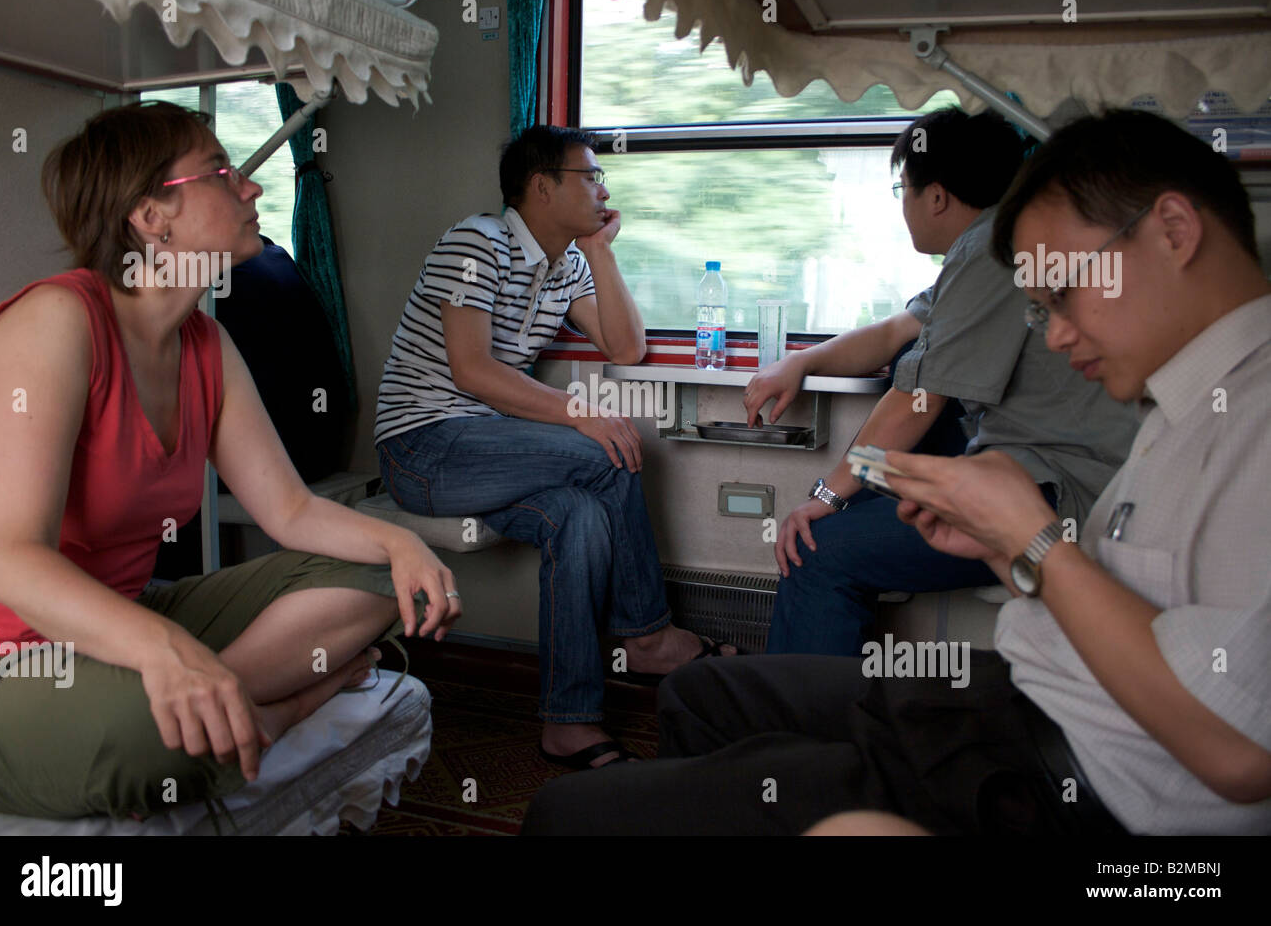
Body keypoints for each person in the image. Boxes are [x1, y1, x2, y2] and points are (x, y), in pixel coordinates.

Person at [522, 109, 1271, 835]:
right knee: (697, 691)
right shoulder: (1177, 404)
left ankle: (774, 786)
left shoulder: (1247, 418)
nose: (1060, 333)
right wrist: (1008, 543)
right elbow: (895, 336)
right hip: (1032, 696)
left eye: (1064, 295)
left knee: (567, 813)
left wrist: (1026, 537)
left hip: (1069, 769)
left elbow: (1242, 751)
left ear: (1174, 231)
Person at [0, 101, 459, 821]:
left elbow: (289, 510)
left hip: (121, 616)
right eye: (224, 173)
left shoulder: (206, 344)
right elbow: (11, 557)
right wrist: (164, 649)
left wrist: (400, 541)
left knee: (378, 579)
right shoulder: (55, 325)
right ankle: (269, 710)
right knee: (147, 736)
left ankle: (218, 700)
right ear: (150, 214)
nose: (252, 188)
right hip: (1, 662)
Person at [375, 125, 735, 769]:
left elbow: (626, 349)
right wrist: (580, 416)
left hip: (481, 448)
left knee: (581, 517)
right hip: (422, 447)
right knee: (606, 449)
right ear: (542, 187)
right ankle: (647, 634)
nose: (603, 188)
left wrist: (598, 251)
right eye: (590, 176)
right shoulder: (475, 242)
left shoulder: (565, 264)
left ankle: (568, 723)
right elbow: (472, 371)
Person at [744, 107, 1138, 656]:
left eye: (901, 187)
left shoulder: (991, 251)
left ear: (935, 196)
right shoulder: (991, 244)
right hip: (1029, 471)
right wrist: (801, 364)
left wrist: (826, 498)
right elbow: (895, 332)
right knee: (910, 351)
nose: (902, 204)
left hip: (1059, 493)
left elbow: (918, 400)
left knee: (816, 550)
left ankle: (803, 733)